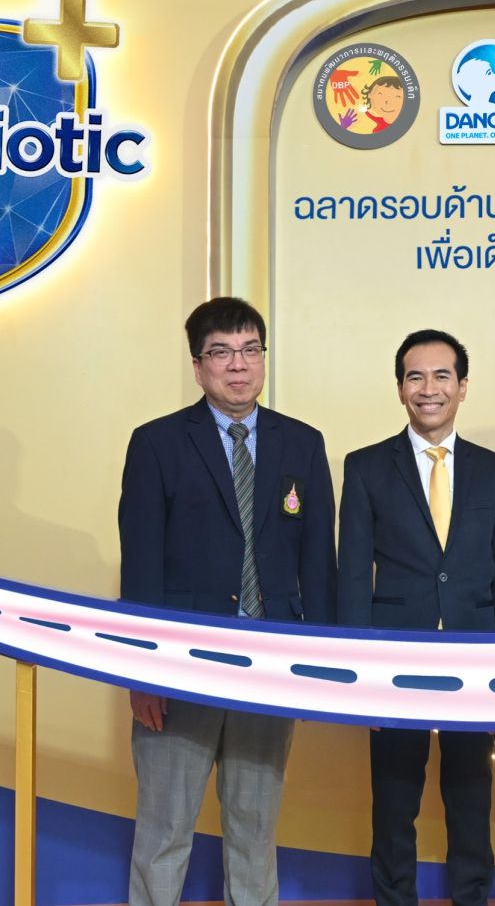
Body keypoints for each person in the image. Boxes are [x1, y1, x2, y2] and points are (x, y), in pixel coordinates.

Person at [118, 296, 337, 906]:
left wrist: (318, 663)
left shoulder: (303, 444)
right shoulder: (157, 443)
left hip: (269, 667)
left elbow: (318, 562)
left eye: (249, 350)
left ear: (263, 358)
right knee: (164, 830)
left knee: (254, 830)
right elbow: (141, 565)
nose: (238, 365)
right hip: (180, 668)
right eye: (221, 352)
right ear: (198, 366)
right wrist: (141, 671)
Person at [337, 329, 495, 906]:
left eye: (442, 376)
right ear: (399, 388)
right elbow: (352, 577)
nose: (429, 388)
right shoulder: (366, 467)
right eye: (415, 377)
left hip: (476, 657)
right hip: (395, 661)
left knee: (471, 796)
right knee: (395, 801)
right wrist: (358, 676)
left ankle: (471, 896)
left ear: (463, 387)